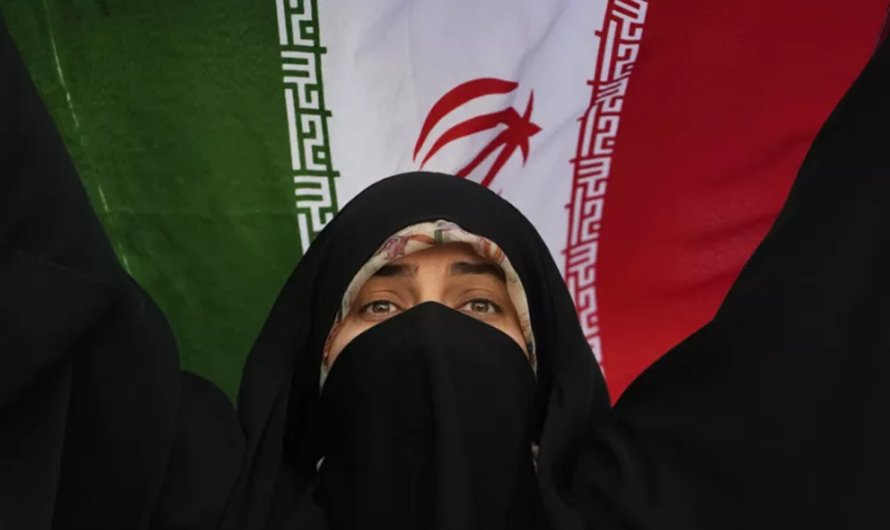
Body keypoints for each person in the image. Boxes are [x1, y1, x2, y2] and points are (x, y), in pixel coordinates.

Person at [2, 7, 890, 530]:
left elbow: (842, 291)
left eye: (480, 305)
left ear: (546, 382)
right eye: (381, 309)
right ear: (313, 374)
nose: (431, 332)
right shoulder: (197, 508)